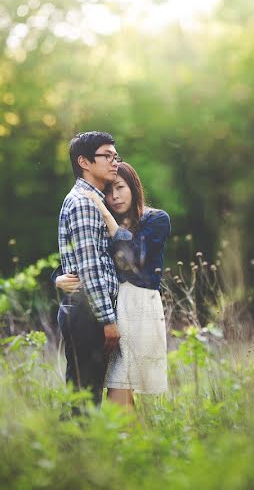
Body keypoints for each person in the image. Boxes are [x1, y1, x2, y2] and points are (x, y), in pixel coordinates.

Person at [56, 162, 171, 409]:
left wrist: (104, 212)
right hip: (112, 308)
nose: (114, 196)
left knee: (119, 390)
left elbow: (133, 258)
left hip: (139, 309)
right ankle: (136, 446)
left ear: (134, 187)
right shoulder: (101, 226)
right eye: (108, 191)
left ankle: (125, 444)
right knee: (120, 394)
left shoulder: (156, 220)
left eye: (120, 188)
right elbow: (82, 255)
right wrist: (56, 278)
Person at [56, 131, 126, 410]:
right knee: (85, 396)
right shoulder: (84, 202)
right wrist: (108, 320)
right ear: (84, 162)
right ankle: (77, 449)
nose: (114, 162)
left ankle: (77, 449)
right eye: (107, 156)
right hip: (88, 312)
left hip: (89, 309)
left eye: (115, 156)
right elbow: (89, 265)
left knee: (85, 392)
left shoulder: (92, 199)